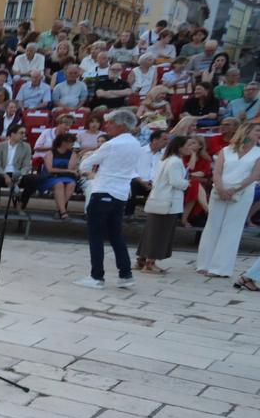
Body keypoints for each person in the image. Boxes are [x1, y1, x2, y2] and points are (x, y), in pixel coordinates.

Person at [74, 108, 146, 289]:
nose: (107, 126)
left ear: (121, 126)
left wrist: (89, 156)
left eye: (111, 123)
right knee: (116, 235)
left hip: (103, 191)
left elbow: (85, 163)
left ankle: (97, 276)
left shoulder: (112, 144)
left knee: (96, 236)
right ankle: (125, 274)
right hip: (121, 194)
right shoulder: (136, 144)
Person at [194, 122, 260, 279]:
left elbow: (254, 176)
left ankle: (220, 268)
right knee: (212, 226)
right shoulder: (226, 150)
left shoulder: (258, 152)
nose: (259, 133)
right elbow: (217, 172)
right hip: (220, 190)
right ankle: (204, 264)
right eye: (257, 130)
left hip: (242, 192)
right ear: (246, 131)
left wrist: (234, 189)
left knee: (231, 229)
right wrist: (221, 188)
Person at [138, 135, 192, 274]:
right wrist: (187, 183)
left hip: (159, 199)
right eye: (188, 145)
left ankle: (143, 258)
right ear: (180, 147)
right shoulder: (175, 162)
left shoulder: (166, 159)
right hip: (168, 203)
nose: (190, 148)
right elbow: (176, 182)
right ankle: (150, 262)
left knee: (152, 232)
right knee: (161, 234)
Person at [38, 131, 79, 220]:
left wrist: (68, 170)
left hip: (66, 177)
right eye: (70, 142)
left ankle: (59, 210)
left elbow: (71, 169)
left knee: (71, 184)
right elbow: (50, 169)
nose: (72, 144)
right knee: (59, 184)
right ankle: (63, 212)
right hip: (50, 176)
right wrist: (67, 170)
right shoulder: (50, 153)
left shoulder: (72, 154)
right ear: (63, 142)